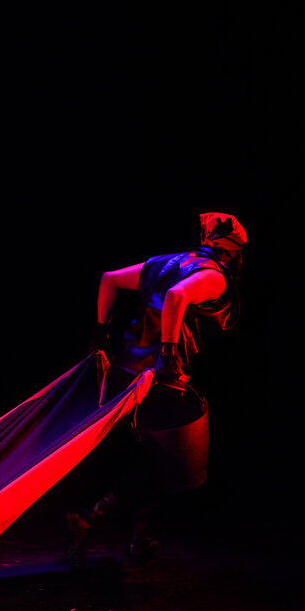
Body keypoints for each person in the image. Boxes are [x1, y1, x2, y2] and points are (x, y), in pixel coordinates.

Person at [68, 211, 247, 564]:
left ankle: (137, 538)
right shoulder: (214, 276)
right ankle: (90, 516)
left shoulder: (167, 262)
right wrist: (168, 355)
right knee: (165, 462)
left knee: (147, 456)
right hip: (157, 377)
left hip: (125, 368)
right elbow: (177, 297)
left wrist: (101, 334)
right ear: (232, 251)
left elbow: (109, 280)